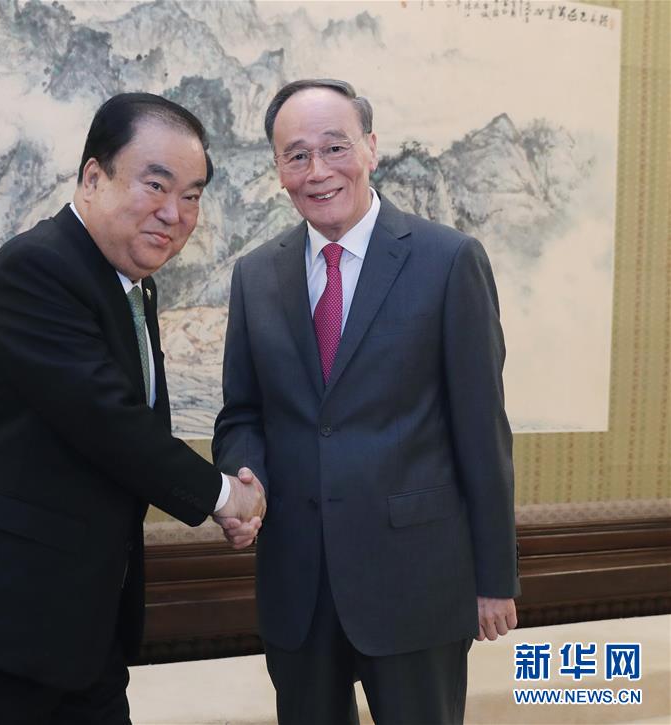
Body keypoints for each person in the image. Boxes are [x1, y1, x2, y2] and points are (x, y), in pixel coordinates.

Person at [0, 92, 264, 725]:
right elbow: (107, 422)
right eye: (155, 185)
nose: (174, 213)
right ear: (93, 177)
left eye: (192, 196)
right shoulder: (36, 267)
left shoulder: (131, 287)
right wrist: (226, 497)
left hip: (77, 636)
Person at [213, 79, 520, 724]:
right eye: (297, 155)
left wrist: (495, 579)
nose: (318, 171)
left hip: (416, 579)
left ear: (371, 148)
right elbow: (242, 412)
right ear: (278, 170)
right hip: (297, 581)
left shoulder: (448, 260)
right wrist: (245, 477)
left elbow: (482, 428)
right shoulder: (255, 275)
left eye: (335, 147)